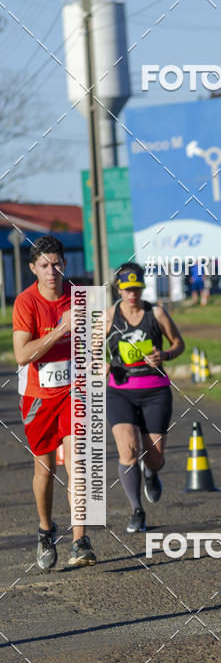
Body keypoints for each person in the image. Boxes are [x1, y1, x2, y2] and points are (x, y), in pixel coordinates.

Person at [12, 235, 97, 571]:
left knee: (78, 464)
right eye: (45, 265)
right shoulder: (26, 302)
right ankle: (45, 530)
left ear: (65, 264)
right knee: (44, 471)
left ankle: (81, 540)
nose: (52, 271)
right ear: (34, 268)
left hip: (73, 394)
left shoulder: (80, 298)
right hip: (37, 396)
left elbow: (92, 344)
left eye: (57, 264)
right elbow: (21, 354)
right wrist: (60, 331)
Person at [103, 263, 184, 533]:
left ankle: (151, 473)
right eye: (127, 289)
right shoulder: (108, 316)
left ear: (142, 287)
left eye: (136, 288)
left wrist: (166, 355)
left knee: (154, 458)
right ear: (119, 289)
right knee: (127, 450)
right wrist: (99, 365)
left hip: (155, 391)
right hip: (120, 391)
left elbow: (178, 343)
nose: (132, 294)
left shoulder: (156, 313)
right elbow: (88, 351)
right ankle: (136, 510)